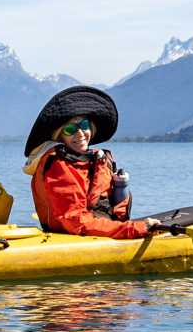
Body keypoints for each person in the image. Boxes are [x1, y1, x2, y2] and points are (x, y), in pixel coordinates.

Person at [23, 85, 165, 239]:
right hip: (75, 238)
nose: (80, 134)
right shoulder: (59, 165)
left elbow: (115, 211)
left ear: (91, 127)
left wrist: (120, 186)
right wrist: (136, 229)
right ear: (59, 136)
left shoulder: (95, 159)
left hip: (102, 232)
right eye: (70, 130)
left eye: (84, 125)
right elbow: (76, 221)